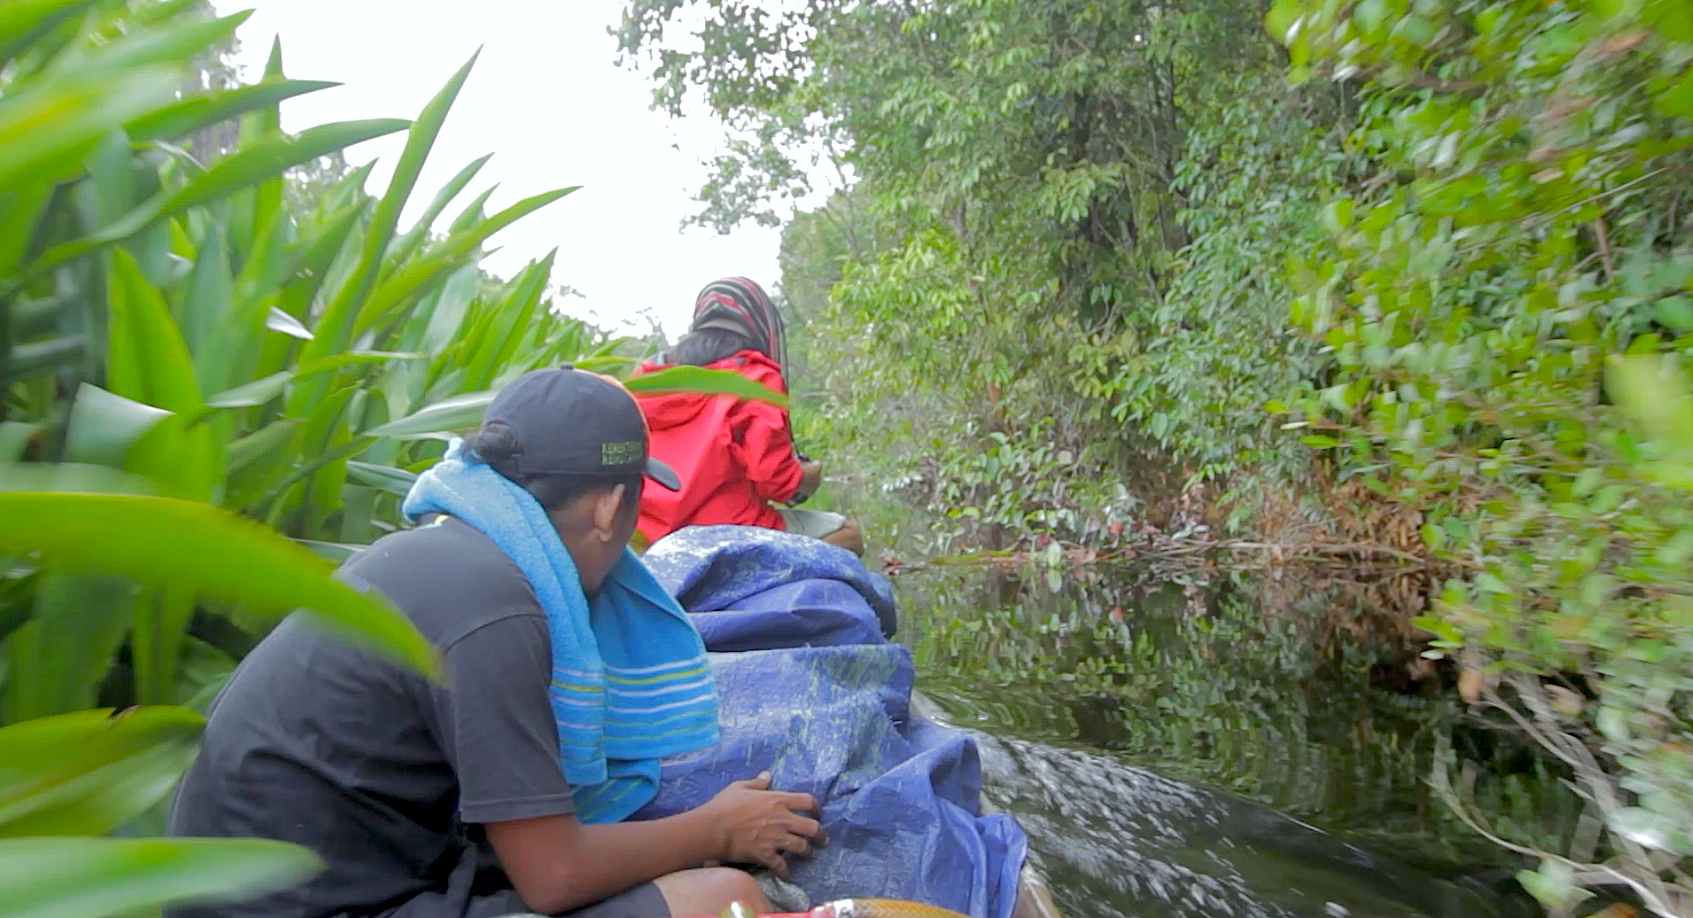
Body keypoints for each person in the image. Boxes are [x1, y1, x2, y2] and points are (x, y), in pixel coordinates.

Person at [165, 366, 826, 918]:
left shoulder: (438, 558)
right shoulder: (497, 613)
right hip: (327, 907)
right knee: (724, 900)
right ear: (605, 510)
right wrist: (718, 828)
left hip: (277, 886)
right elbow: (555, 876)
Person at [631, 277, 865, 556]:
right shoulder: (753, 377)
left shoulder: (646, 381)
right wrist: (809, 475)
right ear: (758, 324)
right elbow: (775, 480)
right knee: (849, 536)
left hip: (650, 538)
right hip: (738, 530)